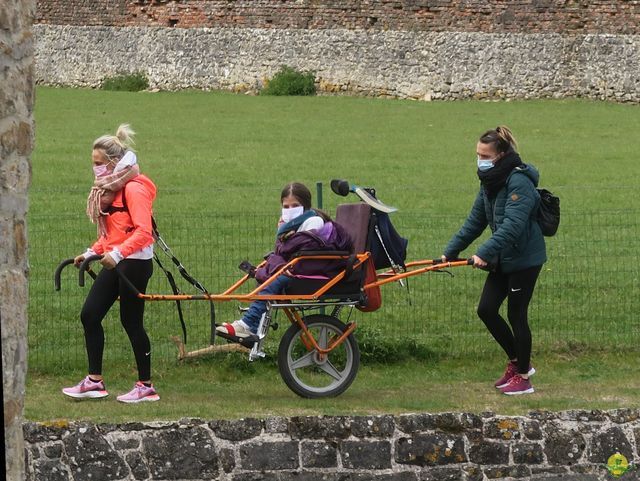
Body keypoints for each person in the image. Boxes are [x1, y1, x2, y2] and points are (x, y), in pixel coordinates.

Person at [442, 126, 546, 395]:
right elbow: (474, 222)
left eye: (485, 155)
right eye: (478, 154)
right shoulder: (489, 182)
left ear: (500, 155)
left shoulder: (518, 181)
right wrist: (449, 252)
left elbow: (512, 226)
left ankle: (523, 377)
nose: (480, 160)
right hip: (503, 257)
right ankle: (517, 361)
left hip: (524, 258)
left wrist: (483, 253)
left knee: (516, 315)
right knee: (486, 310)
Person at [62, 124, 160, 403]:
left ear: (114, 163)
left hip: (135, 263)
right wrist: (91, 251)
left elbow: (143, 232)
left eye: (98, 164)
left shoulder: (134, 190)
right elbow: (113, 233)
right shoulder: (110, 189)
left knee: (131, 322)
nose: (95, 169)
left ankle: (146, 386)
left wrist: (116, 255)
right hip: (116, 261)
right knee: (90, 315)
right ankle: (94, 381)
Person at [217, 182, 351, 339]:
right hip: (299, 267)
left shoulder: (313, 222)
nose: (289, 210)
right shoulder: (294, 225)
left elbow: (297, 250)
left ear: (305, 206)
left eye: (294, 205)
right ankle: (251, 326)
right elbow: (288, 252)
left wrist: (283, 235)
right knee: (265, 276)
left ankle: (247, 324)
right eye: (286, 206)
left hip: (312, 271)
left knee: (274, 278)